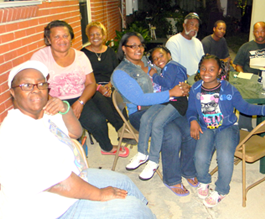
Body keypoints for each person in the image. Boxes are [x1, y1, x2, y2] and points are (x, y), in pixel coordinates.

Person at [0, 60, 155, 218]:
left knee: (124, 182)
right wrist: (100, 194)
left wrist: (64, 108)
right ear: (13, 92)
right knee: (131, 209)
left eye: (41, 84)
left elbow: (75, 132)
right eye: (26, 85)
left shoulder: (43, 114)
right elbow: (59, 183)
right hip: (47, 208)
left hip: (73, 176)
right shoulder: (15, 132)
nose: (36, 90)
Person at [186, 54, 265, 207]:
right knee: (199, 156)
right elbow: (191, 110)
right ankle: (204, 181)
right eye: (203, 68)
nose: (206, 72)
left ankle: (222, 190)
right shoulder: (196, 89)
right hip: (206, 128)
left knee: (225, 156)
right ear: (199, 69)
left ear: (219, 72)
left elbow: (245, 107)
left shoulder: (228, 89)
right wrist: (193, 121)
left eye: (212, 69)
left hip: (227, 127)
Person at [111, 32, 198, 196]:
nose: (138, 49)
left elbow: (167, 75)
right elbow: (139, 99)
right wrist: (171, 92)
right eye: (133, 46)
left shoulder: (147, 61)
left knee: (189, 128)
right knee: (171, 134)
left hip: (165, 104)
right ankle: (172, 179)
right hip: (141, 112)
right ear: (124, 48)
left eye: (140, 45)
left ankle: (187, 169)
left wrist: (182, 86)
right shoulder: (121, 73)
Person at [31, 20, 128, 157]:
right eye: (56, 36)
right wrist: (60, 105)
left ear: (71, 37)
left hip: (79, 97)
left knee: (98, 121)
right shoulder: (40, 57)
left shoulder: (81, 56)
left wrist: (80, 103)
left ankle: (106, 147)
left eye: (65, 36)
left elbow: (91, 84)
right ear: (48, 39)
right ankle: (73, 151)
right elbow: (36, 86)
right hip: (52, 100)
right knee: (64, 130)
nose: (62, 40)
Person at [126, 45, 188, 180]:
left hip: (176, 102)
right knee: (146, 118)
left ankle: (153, 161)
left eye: (161, 56)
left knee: (157, 124)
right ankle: (142, 153)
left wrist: (153, 74)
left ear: (169, 55)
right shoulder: (165, 68)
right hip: (164, 100)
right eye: (155, 59)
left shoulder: (171, 66)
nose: (158, 60)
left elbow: (167, 83)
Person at [81, 21, 134, 145]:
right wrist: (99, 87)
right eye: (92, 35)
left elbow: (116, 71)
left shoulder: (109, 51)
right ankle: (120, 128)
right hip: (91, 87)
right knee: (101, 99)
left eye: (98, 34)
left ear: (103, 36)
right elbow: (82, 76)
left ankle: (126, 129)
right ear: (88, 36)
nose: (95, 37)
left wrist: (110, 85)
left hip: (109, 84)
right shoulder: (82, 54)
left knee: (116, 96)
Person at [233, 21, 265, 131]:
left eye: (262, 32)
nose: (259, 34)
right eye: (257, 32)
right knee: (245, 97)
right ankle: (245, 127)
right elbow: (238, 64)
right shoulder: (246, 47)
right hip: (249, 79)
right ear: (253, 33)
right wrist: (242, 75)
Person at [166, 12, 205, 76]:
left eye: (197, 26)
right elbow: (174, 69)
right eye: (191, 24)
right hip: (181, 81)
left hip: (197, 79)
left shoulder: (198, 43)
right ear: (184, 25)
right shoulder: (173, 42)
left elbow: (203, 64)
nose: (194, 28)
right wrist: (190, 80)